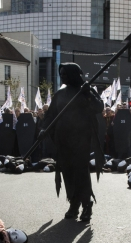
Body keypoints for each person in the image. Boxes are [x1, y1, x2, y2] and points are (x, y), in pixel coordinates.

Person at [41, 63, 105, 221]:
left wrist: (88, 95)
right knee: (68, 172)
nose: (62, 76)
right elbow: (50, 115)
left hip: (80, 139)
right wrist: (44, 129)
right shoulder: (60, 94)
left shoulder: (86, 90)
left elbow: (99, 107)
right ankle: (74, 203)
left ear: (73, 74)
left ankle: (87, 205)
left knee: (81, 173)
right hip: (63, 140)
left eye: (65, 74)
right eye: (60, 74)